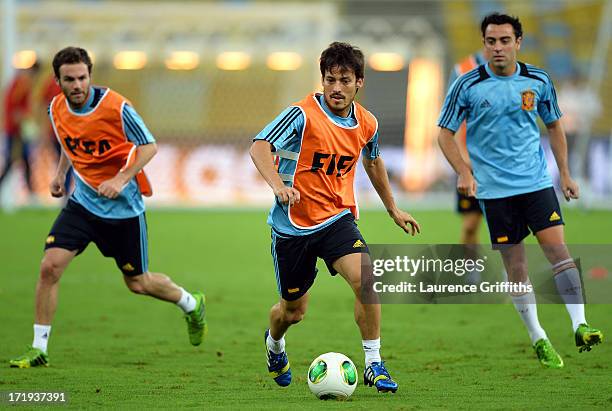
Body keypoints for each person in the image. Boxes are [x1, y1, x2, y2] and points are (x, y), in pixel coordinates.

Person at [9, 47, 206, 368]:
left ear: (90, 76)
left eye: (82, 78)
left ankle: (190, 303)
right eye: (69, 79)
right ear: (58, 81)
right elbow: (69, 142)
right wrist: (60, 174)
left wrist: (121, 178)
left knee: (138, 283)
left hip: (123, 210)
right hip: (83, 204)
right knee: (49, 267)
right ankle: (39, 349)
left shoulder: (116, 107)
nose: (77, 85)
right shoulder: (56, 108)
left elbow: (149, 146)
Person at [250, 42, 420, 392]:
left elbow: (372, 162)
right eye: (330, 80)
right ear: (323, 80)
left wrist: (393, 208)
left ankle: (374, 363)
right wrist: (278, 186)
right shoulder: (301, 114)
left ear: (359, 81)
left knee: (367, 279)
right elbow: (259, 146)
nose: (336, 88)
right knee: (292, 312)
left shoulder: (367, 123)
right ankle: (274, 343)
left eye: (345, 80)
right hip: (293, 226)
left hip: (337, 220)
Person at [437, 13, 603, 369]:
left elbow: (555, 126)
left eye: (504, 41)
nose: (497, 48)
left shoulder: (537, 80)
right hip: (494, 192)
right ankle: (538, 336)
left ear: (518, 42)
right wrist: (463, 171)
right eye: (491, 41)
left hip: (536, 184)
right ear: (484, 44)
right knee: (517, 269)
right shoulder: (467, 85)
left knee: (558, 250)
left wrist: (566, 174)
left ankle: (580, 324)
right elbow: (444, 133)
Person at [447, 50, 490, 246]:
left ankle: (513, 273)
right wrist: (462, 159)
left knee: (509, 223)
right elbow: (449, 119)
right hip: (470, 160)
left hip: (502, 163)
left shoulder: (515, 72)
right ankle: (471, 271)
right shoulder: (463, 70)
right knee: (470, 225)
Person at [0, 62, 40, 198]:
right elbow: (15, 108)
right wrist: (24, 118)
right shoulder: (23, 83)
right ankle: (31, 194)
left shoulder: (19, 82)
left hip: (15, 129)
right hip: (16, 130)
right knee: (13, 161)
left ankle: (31, 194)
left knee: (24, 160)